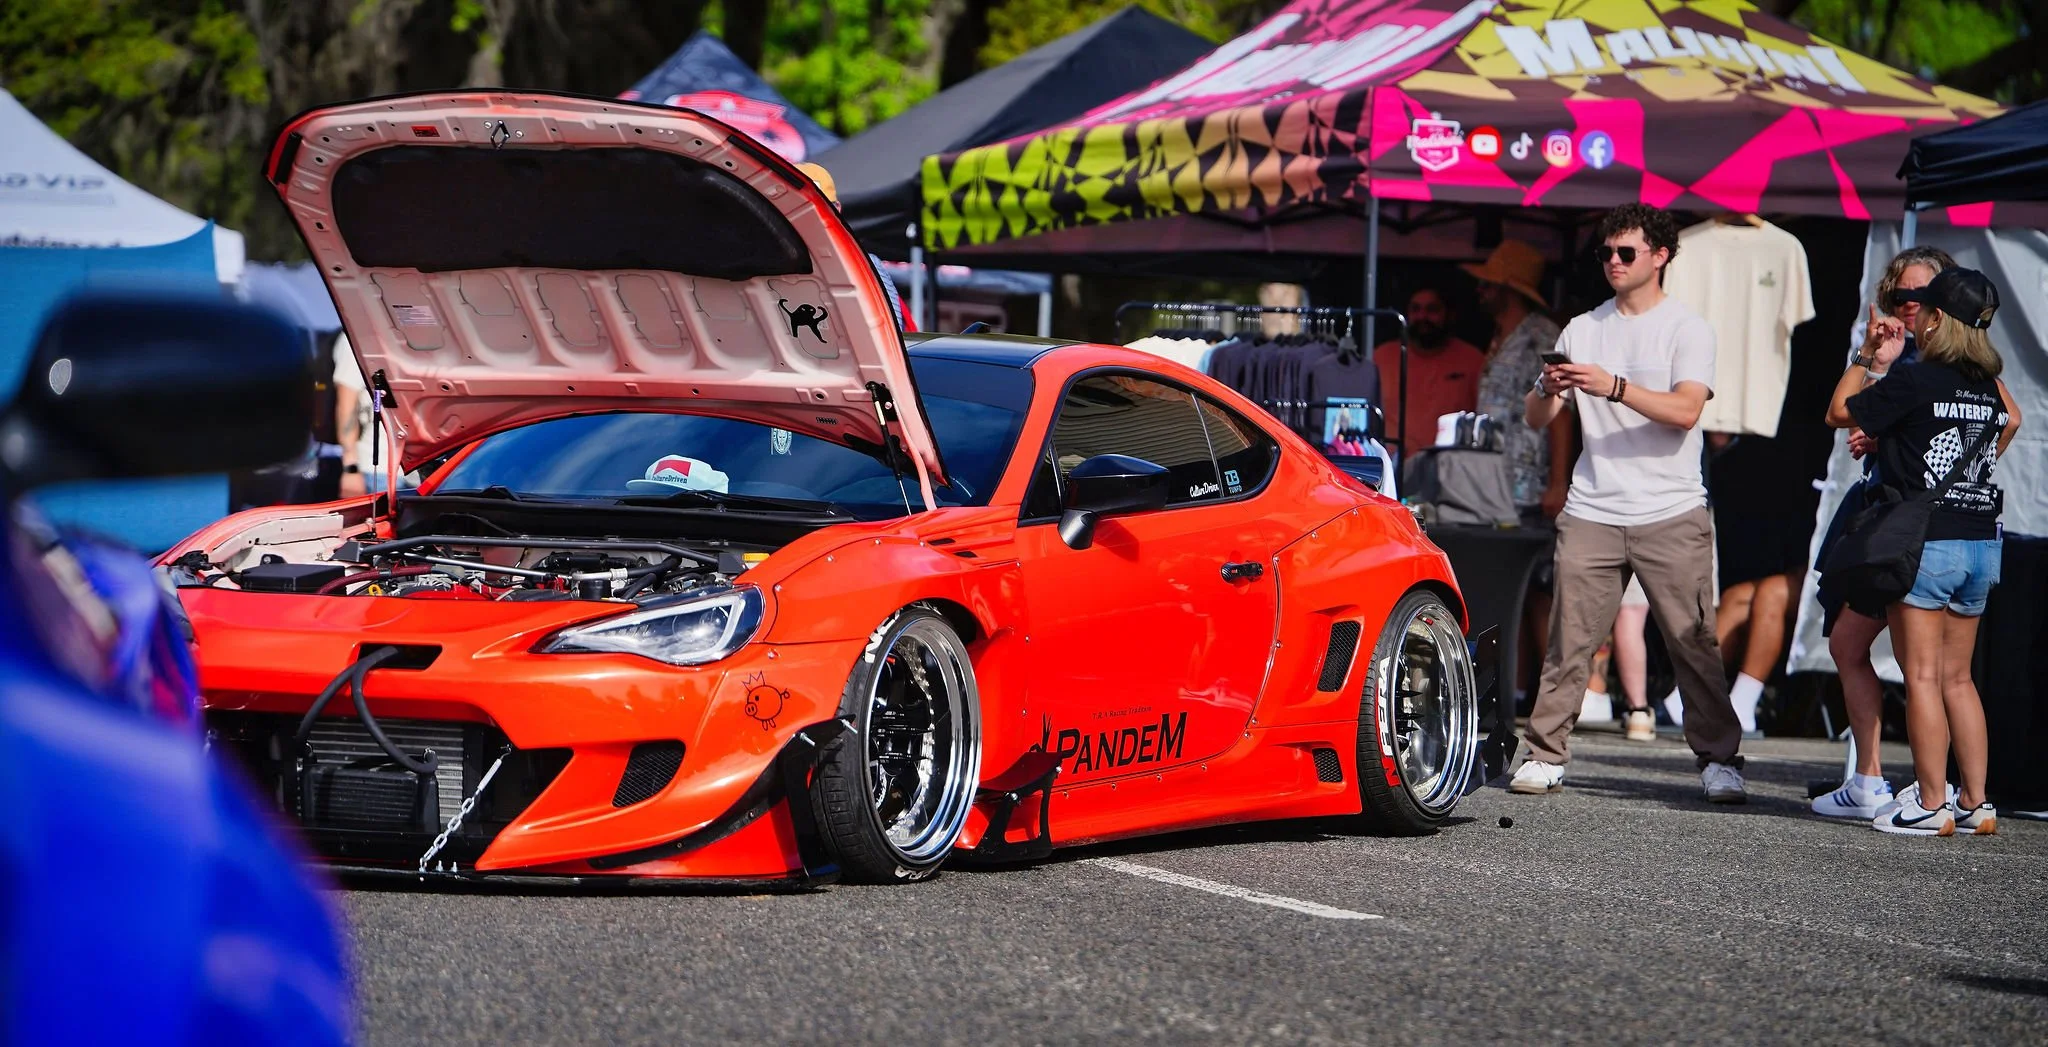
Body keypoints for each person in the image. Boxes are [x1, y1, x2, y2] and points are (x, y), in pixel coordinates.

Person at [1510, 203, 1746, 803]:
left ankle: (1719, 760)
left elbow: (1686, 411)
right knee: (1569, 640)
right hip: (1593, 506)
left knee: (1693, 641)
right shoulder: (1583, 328)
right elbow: (1538, 417)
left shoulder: (1686, 328)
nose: (1612, 263)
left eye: (1626, 253)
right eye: (1606, 254)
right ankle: (1543, 753)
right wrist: (1547, 386)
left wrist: (1612, 386)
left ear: (1660, 256)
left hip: (1672, 508)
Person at [1824, 266, 2020, 835]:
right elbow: (2009, 425)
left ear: (1935, 320)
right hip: (1982, 540)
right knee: (1959, 678)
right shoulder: (1986, 387)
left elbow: (1840, 412)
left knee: (1924, 679)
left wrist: (1864, 357)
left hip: (1926, 543)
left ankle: (1931, 803)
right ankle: (1975, 801)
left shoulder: (1918, 380)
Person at [1808, 246, 1953, 819]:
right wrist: (1873, 357)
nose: (1909, 307)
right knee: (1850, 645)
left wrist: (1913, 453)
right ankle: (1871, 779)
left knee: (1932, 671)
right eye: (1900, 296)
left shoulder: (1946, 362)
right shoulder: (1902, 356)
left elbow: (2005, 418)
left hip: (1917, 529)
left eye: (1921, 296)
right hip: (1884, 520)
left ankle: (1937, 795)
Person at [796, 161, 915, 333]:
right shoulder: (762, 265)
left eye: (819, 208)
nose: (809, 218)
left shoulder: (866, 266)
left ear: (837, 209)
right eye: (801, 209)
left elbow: (891, 338)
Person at [1373, 287, 1483, 455]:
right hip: (1391, 470)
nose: (1422, 317)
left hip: (1449, 469)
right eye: (1415, 309)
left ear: (1449, 314)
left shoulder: (1473, 360)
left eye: (1432, 310)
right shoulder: (1382, 357)